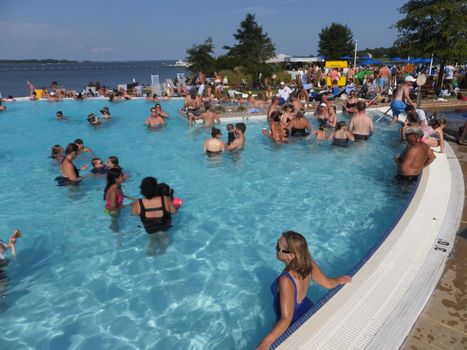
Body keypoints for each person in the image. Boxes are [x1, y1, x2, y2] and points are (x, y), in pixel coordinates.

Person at [257, 231, 352, 350]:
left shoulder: (286, 280)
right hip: (306, 308)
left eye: (278, 247)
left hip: (291, 322)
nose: (275, 247)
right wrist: (339, 279)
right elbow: (329, 283)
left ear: (290, 256)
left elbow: (286, 320)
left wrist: (265, 343)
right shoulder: (308, 263)